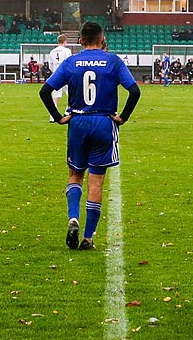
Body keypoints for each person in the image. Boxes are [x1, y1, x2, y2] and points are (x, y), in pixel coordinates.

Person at [38, 21, 140, 251]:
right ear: (102, 39)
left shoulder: (70, 62)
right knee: (97, 180)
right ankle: (88, 237)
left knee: (75, 174)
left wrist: (58, 116)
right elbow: (134, 91)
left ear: (81, 40)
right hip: (104, 123)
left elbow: (45, 91)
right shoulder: (113, 61)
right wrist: (122, 117)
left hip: (78, 123)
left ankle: (73, 218)